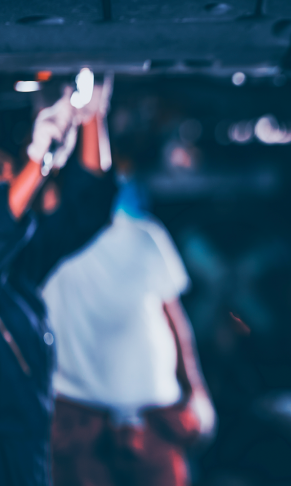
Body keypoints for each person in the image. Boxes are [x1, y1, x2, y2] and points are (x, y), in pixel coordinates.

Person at [42, 144, 216, 486]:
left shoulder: (144, 235)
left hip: (154, 422)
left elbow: (174, 320)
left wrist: (196, 391)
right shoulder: (47, 239)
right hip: (78, 423)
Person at [0, 87, 116, 486]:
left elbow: (86, 211)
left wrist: (90, 116)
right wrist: (40, 158)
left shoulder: (19, 269)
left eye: (4, 173)